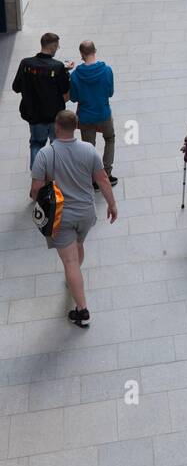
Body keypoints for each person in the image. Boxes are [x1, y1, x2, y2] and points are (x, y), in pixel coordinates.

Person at [30, 110, 118, 328]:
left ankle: (82, 310)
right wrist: (112, 204)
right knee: (78, 245)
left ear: (57, 128)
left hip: (61, 216)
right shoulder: (89, 150)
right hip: (86, 213)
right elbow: (103, 179)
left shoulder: (45, 155)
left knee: (69, 262)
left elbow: (35, 190)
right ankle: (74, 276)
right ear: (76, 126)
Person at [12, 32, 72, 169]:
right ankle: (56, 173)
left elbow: (16, 87)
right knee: (56, 144)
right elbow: (65, 94)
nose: (57, 49)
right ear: (53, 46)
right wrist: (64, 73)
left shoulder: (25, 64)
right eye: (57, 46)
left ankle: (37, 175)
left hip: (34, 116)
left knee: (36, 144)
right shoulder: (57, 67)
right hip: (55, 116)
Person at [70, 41, 117, 186]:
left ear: (81, 55)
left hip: (85, 116)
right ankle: (106, 173)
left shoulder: (76, 75)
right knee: (109, 139)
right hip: (103, 113)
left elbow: (74, 97)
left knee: (89, 147)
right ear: (95, 51)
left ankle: (92, 179)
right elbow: (110, 93)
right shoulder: (107, 70)